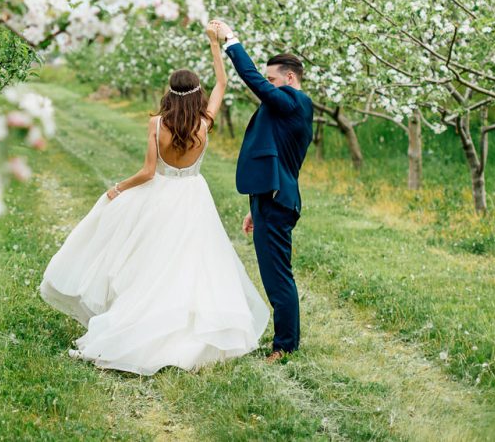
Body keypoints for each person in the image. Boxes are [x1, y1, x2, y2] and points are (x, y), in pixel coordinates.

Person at [39, 22, 269, 375]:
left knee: (153, 262)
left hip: (161, 196)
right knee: (195, 262)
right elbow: (222, 83)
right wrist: (213, 44)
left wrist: (118, 187)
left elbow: (147, 173)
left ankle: (144, 322)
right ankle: (191, 328)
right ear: (197, 94)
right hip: (193, 196)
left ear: (168, 93)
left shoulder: (157, 124)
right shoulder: (205, 123)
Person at [211, 19, 313, 362]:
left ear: (290, 79)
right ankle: (285, 341)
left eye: (273, 80)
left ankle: (285, 346)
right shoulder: (284, 106)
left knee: (277, 275)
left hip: (278, 199)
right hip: (270, 197)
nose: (267, 86)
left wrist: (230, 41)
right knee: (274, 272)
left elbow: (253, 80)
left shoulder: (294, 102)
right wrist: (255, 206)